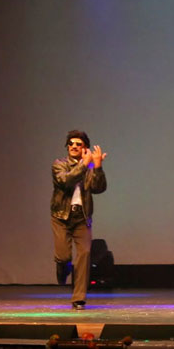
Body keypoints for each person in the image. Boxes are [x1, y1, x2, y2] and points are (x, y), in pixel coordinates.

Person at [51, 130, 107, 310]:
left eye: (78, 144)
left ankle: (79, 298)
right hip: (61, 217)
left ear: (85, 148)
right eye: (71, 143)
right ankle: (62, 267)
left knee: (84, 255)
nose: (74, 146)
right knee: (63, 257)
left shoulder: (88, 168)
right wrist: (84, 164)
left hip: (82, 217)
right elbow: (66, 181)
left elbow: (98, 188)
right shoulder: (59, 164)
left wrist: (97, 167)